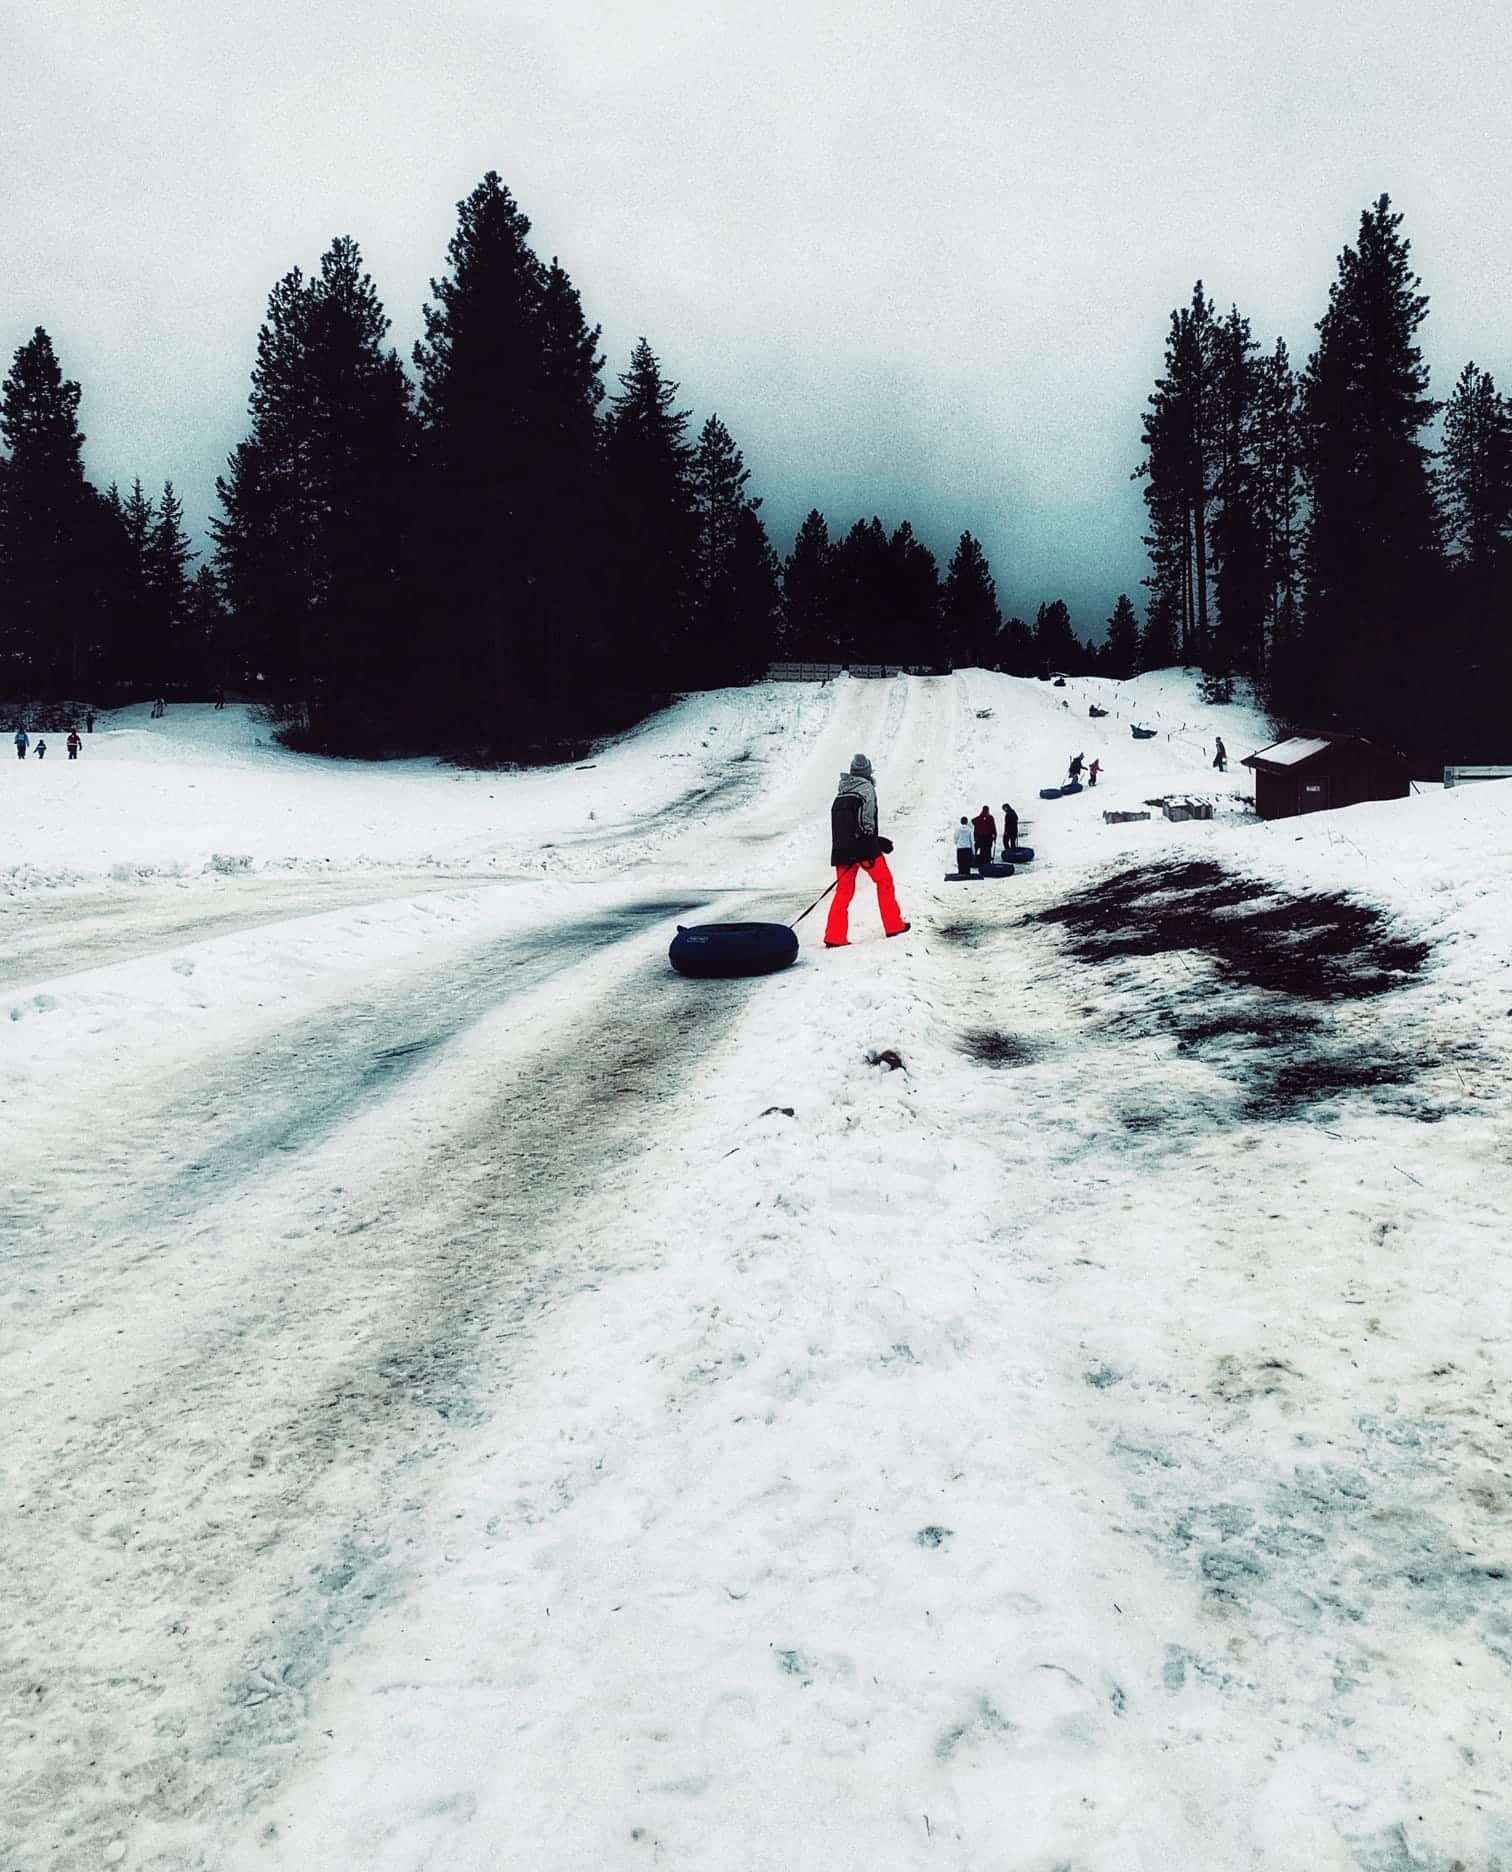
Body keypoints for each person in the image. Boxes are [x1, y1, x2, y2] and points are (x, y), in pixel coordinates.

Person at [824, 754, 909, 947]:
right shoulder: (866, 789)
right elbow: (866, 822)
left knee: (843, 892)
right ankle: (893, 925)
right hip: (864, 849)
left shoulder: (841, 792)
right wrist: (875, 842)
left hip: (842, 851)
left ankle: (834, 936)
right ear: (868, 772)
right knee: (884, 881)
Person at [971, 804, 997, 870]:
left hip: (981, 837)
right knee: (987, 850)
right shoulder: (990, 817)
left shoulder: (980, 817)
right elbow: (993, 827)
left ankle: (982, 863)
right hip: (988, 838)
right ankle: (987, 863)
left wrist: (975, 836)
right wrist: (995, 835)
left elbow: (973, 822)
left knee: (983, 850)